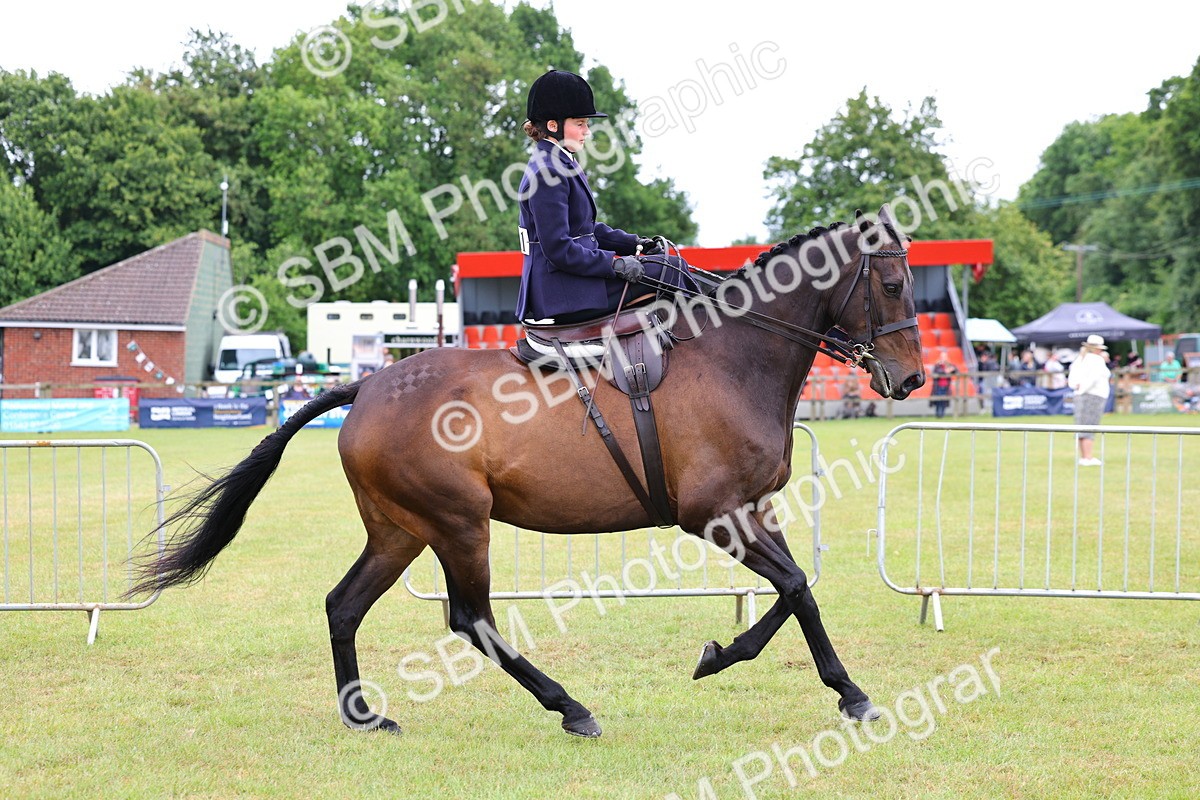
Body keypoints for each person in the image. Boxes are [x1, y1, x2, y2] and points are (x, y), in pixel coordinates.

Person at [514, 70, 693, 324]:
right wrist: (615, 264)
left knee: (669, 264)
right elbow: (558, 249)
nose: (587, 131)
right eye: (580, 124)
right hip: (564, 292)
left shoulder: (560, 162)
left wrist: (636, 244)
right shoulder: (547, 172)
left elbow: (585, 229)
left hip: (575, 281)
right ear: (553, 126)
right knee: (671, 270)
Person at [1066, 334, 1112, 466]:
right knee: (1090, 425)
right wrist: (1082, 389)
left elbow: (1072, 377)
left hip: (1083, 395)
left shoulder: (1081, 358)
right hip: (1093, 395)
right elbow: (1093, 378)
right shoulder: (1096, 360)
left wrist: (1077, 388)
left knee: (1082, 425)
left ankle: (1084, 456)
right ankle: (1087, 457)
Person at [929, 350, 958, 418]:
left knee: (944, 401)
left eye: (944, 356)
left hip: (946, 386)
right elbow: (938, 372)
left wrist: (950, 369)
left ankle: (942, 414)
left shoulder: (949, 365)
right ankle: (938, 414)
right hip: (938, 386)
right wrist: (946, 371)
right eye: (942, 356)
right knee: (938, 400)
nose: (943, 358)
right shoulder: (937, 365)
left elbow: (956, 370)